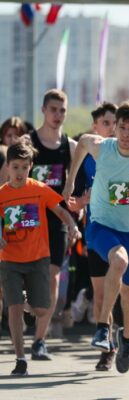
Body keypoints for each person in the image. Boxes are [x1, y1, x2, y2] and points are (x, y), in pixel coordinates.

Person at [63, 100, 129, 373]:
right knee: (118, 261)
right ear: (116, 128)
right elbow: (83, 142)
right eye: (122, 127)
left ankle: (128, 339)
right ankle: (102, 328)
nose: (125, 134)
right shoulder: (103, 147)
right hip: (102, 225)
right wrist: (70, 181)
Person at [0, 140, 81, 376]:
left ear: (31, 167)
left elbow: (61, 210)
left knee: (43, 309)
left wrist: (73, 226)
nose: (19, 172)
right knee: (14, 308)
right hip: (10, 259)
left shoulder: (39, 189)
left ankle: (28, 304)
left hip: (37, 258)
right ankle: (20, 358)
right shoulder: (2, 195)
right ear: (7, 167)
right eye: (15, 167)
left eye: (24, 167)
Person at [66, 101, 118, 371]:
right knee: (100, 295)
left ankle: (126, 330)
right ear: (95, 127)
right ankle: (108, 348)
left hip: (126, 232)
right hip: (96, 232)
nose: (112, 128)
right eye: (106, 123)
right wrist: (80, 202)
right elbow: (73, 201)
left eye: (115, 123)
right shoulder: (87, 159)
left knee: (124, 292)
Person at [29, 89, 77, 358]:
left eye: (62, 110)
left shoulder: (69, 147)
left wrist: (78, 208)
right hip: (27, 220)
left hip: (56, 218)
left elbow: (81, 182)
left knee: (53, 280)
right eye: (53, 109)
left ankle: (39, 339)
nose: (58, 115)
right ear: (43, 110)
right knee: (25, 275)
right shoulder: (28, 142)